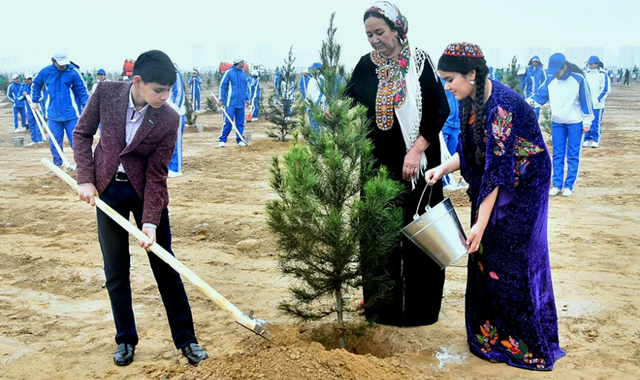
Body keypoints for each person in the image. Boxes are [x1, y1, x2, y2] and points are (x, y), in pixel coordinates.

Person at [427, 42, 565, 371]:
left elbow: (496, 169)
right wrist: (443, 169)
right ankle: (489, 336)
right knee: (484, 253)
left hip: (525, 186)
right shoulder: (468, 100)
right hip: (496, 180)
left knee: (514, 257)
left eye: (450, 80)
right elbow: (471, 150)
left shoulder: (501, 107)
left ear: (471, 74)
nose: (447, 87)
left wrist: (479, 222)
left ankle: (523, 342)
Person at [73, 50, 208, 367]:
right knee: (116, 271)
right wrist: (85, 179)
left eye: (169, 90)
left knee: (165, 267)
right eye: (158, 90)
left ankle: (187, 340)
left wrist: (150, 222)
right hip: (107, 189)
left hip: (146, 191)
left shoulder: (169, 118)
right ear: (138, 82)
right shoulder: (106, 93)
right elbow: (82, 133)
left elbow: (157, 174)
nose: (164, 97)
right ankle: (125, 340)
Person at [344, 2, 449, 327]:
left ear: (397, 30)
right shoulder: (365, 65)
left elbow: (439, 110)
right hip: (377, 167)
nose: (374, 39)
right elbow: (347, 100)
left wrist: (416, 150)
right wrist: (333, 111)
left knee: (421, 235)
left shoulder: (418, 63)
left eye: (380, 32)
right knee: (379, 235)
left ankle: (421, 310)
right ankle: (381, 308)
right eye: (369, 34)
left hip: (418, 168)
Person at [527, 53, 594, 197]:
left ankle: (569, 185)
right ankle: (557, 185)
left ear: (564, 67)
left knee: (573, 155)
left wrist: (588, 121)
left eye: (557, 71)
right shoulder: (550, 80)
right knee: (557, 154)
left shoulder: (578, 79)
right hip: (557, 123)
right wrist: (522, 103)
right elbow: (539, 97)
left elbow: (586, 101)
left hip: (576, 123)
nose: (555, 74)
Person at [31, 52, 89, 167]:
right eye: (60, 63)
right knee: (54, 141)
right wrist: (35, 101)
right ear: (53, 60)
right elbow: (36, 85)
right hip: (53, 114)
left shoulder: (73, 72)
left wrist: (87, 107)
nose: (63, 66)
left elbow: (82, 91)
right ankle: (58, 163)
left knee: (76, 141)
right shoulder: (45, 72)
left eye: (65, 63)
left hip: (71, 114)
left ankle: (82, 165)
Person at [217, 58, 248, 147]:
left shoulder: (243, 73)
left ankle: (240, 140)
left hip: (241, 103)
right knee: (228, 121)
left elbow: (244, 87)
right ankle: (222, 140)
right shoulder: (229, 72)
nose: (244, 63)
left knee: (240, 122)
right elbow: (222, 86)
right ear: (238, 63)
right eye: (242, 62)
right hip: (230, 103)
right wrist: (220, 99)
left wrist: (246, 99)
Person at [584, 56, 610, 148]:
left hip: (597, 104)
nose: (590, 66)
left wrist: (598, 99)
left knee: (595, 123)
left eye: (592, 64)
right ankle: (586, 139)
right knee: (586, 122)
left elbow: (605, 89)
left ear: (596, 64)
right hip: (587, 104)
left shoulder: (603, 74)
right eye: (589, 64)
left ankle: (595, 139)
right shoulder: (586, 73)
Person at [439, 77, 460, 190]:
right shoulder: (442, 81)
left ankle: (450, 179)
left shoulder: (459, 79)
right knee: (443, 154)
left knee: (453, 153)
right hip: (445, 123)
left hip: (456, 123)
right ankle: (443, 181)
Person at [168, 65, 186, 177]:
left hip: (176, 113)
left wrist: (173, 110)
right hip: (166, 113)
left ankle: (176, 168)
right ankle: (169, 166)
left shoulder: (175, 75)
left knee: (176, 141)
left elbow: (178, 94)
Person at [21, 73, 43, 145]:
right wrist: (24, 96)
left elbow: (41, 96)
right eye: (28, 79)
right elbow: (19, 97)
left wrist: (34, 101)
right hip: (29, 109)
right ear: (26, 80)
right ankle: (34, 140)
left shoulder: (36, 86)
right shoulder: (24, 88)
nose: (29, 80)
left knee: (38, 123)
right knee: (31, 124)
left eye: (30, 79)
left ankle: (39, 139)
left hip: (37, 108)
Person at [305, 62, 325, 133]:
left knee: (316, 126)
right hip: (311, 106)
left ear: (318, 70)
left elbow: (322, 93)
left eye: (314, 69)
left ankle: (317, 141)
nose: (312, 71)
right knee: (312, 125)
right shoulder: (312, 79)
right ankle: (314, 140)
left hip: (316, 106)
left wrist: (317, 104)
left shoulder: (321, 79)